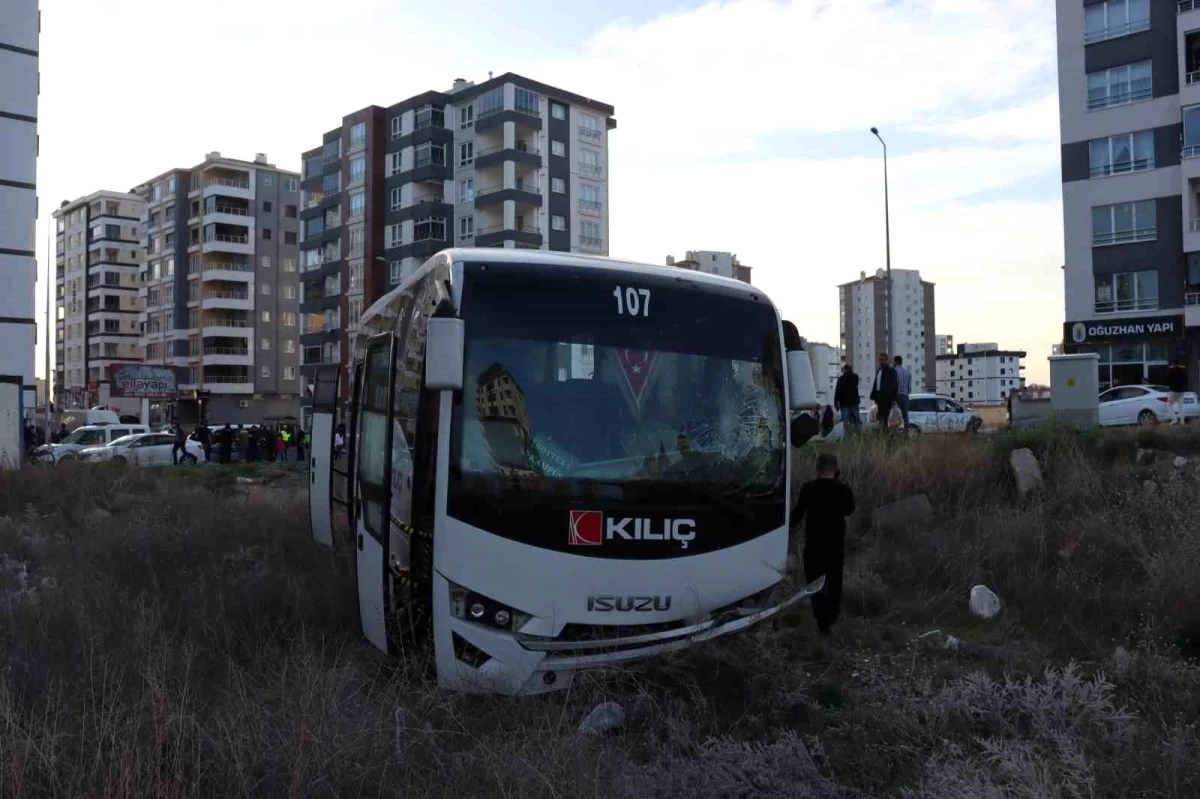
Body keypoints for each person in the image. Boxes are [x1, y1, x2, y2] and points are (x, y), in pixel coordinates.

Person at [793, 453, 855, 636]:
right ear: (835, 470)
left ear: (817, 468)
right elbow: (849, 510)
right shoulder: (844, 490)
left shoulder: (808, 489)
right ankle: (832, 615)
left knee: (814, 582)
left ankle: (822, 621)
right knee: (835, 581)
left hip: (814, 543)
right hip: (835, 544)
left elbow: (797, 515)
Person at [869, 353, 898, 431]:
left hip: (887, 398)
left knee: (886, 418)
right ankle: (882, 434)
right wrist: (874, 396)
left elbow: (894, 385)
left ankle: (886, 434)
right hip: (879, 398)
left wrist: (893, 399)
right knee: (880, 418)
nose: (881, 362)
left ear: (886, 360)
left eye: (882, 360)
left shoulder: (891, 371)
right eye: (880, 360)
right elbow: (876, 384)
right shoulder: (879, 370)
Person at [833, 363, 861, 432]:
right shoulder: (855, 377)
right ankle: (857, 435)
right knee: (855, 420)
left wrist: (836, 403)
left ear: (844, 370)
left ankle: (848, 436)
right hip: (853, 403)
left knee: (846, 422)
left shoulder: (842, 379)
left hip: (845, 404)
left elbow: (837, 392)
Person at [893, 355, 913, 429]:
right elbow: (909, 389)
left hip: (896, 396)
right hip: (905, 396)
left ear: (896, 361)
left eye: (894, 362)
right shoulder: (908, 372)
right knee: (905, 416)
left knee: (895, 416)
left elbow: (893, 385)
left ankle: (896, 433)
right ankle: (906, 434)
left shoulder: (894, 371)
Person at [1167, 359, 1188, 425]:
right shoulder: (1182, 371)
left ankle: (1174, 419)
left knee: (1169, 405)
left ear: (1174, 364)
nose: (1172, 365)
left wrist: (1170, 369)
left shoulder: (1172, 370)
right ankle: (1182, 421)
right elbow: (1185, 379)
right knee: (1181, 406)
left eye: (1172, 364)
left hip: (1174, 391)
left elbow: (1168, 379)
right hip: (1181, 391)